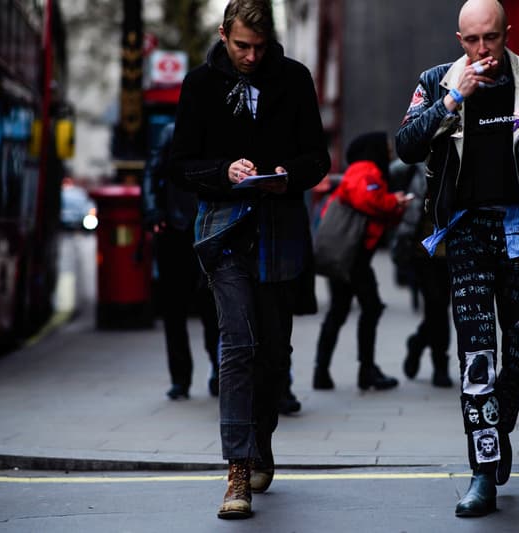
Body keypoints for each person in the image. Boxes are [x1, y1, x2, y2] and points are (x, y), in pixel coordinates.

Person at [395, 0, 519, 518]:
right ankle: (482, 473)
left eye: (492, 38)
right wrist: (452, 99)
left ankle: (495, 425)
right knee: (477, 360)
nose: (484, 50)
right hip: (467, 232)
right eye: (473, 40)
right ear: (460, 40)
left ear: (508, 33)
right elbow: (406, 145)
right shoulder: (436, 81)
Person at [170, 0, 330, 520]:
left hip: (279, 229)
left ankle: (261, 443)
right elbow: (180, 165)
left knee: (274, 354)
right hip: (224, 231)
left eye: (260, 47)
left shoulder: (295, 78)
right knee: (237, 346)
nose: (251, 56)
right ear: (223, 34)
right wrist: (224, 171)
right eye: (242, 45)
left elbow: (318, 158)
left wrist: (288, 174)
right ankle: (237, 469)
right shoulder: (200, 85)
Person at [312, 132, 408, 392]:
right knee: (369, 308)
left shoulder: (365, 170)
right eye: (387, 147)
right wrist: (393, 201)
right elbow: (364, 198)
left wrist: (394, 206)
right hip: (353, 256)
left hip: (351, 254)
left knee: (341, 310)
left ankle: (324, 371)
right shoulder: (365, 169)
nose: (390, 152)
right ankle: (366, 371)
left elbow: (375, 212)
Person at [141, 122, 220, 401]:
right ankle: (180, 378)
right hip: (175, 229)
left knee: (213, 306)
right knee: (174, 309)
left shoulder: (216, 128)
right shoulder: (170, 132)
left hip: (209, 227)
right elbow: (151, 173)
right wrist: (153, 210)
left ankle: (218, 369)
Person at [390, 160, 453, 388]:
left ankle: (417, 342)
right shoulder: (416, 166)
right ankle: (440, 365)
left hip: (453, 250)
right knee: (437, 307)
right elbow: (394, 173)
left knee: (440, 307)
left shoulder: (459, 161)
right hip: (423, 250)